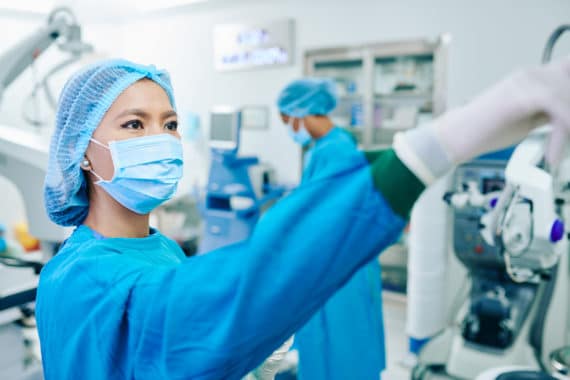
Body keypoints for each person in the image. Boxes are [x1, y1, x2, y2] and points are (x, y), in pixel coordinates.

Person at [36, 57, 570, 380]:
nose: (161, 139)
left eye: (170, 123)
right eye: (134, 124)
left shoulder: (161, 248)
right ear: (83, 149)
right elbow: (204, 307)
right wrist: (451, 139)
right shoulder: (84, 278)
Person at [276, 78, 389, 379]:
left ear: (301, 112)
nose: (289, 128)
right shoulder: (328, 146)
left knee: (342, 345)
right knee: (329, 342)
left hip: (340, 268)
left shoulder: (334, 150)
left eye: (287, 120)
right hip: (335, 261)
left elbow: (331, 215)